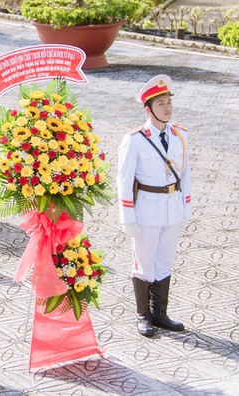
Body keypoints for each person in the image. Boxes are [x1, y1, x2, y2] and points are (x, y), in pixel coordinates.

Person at [117, 74, 191, 337]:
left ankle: (160, 313)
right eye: (161, 103)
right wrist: (127, 217)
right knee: (144, 263)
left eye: (169, 102)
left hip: (172, 208)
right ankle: (143, 315)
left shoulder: (180, 135)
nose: (167, 107)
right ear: (148, 109)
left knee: (164, 261)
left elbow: (185, 175)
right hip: (146, 210)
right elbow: (124, 180)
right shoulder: (135, 140)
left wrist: (185, 207)